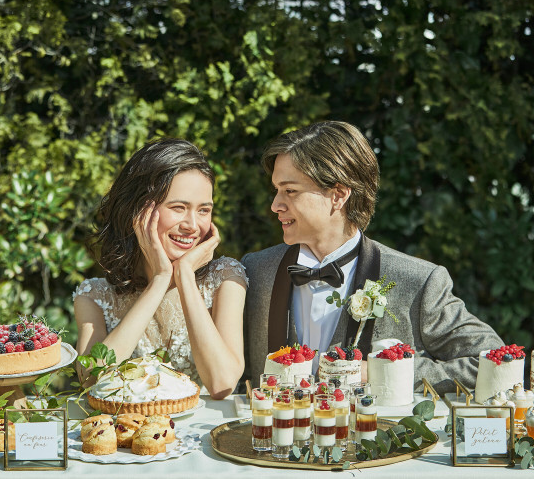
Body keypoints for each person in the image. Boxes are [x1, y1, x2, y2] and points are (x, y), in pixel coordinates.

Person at [242, 121, 503, 394]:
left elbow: (493, 361)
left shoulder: (418, 282)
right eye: (276, 190)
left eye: (290, 191)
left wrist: (384, 372)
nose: (275, 205)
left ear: (338, 195)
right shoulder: (255, 270)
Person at [74, 138, 247, 399]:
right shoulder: (94, 296)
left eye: (203, 210)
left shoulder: (226, 277)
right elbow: (92, 381)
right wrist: (160, 280)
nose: (192, 225)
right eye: (178, 208)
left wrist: (185, 275)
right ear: (138, 212)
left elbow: (222, 384)